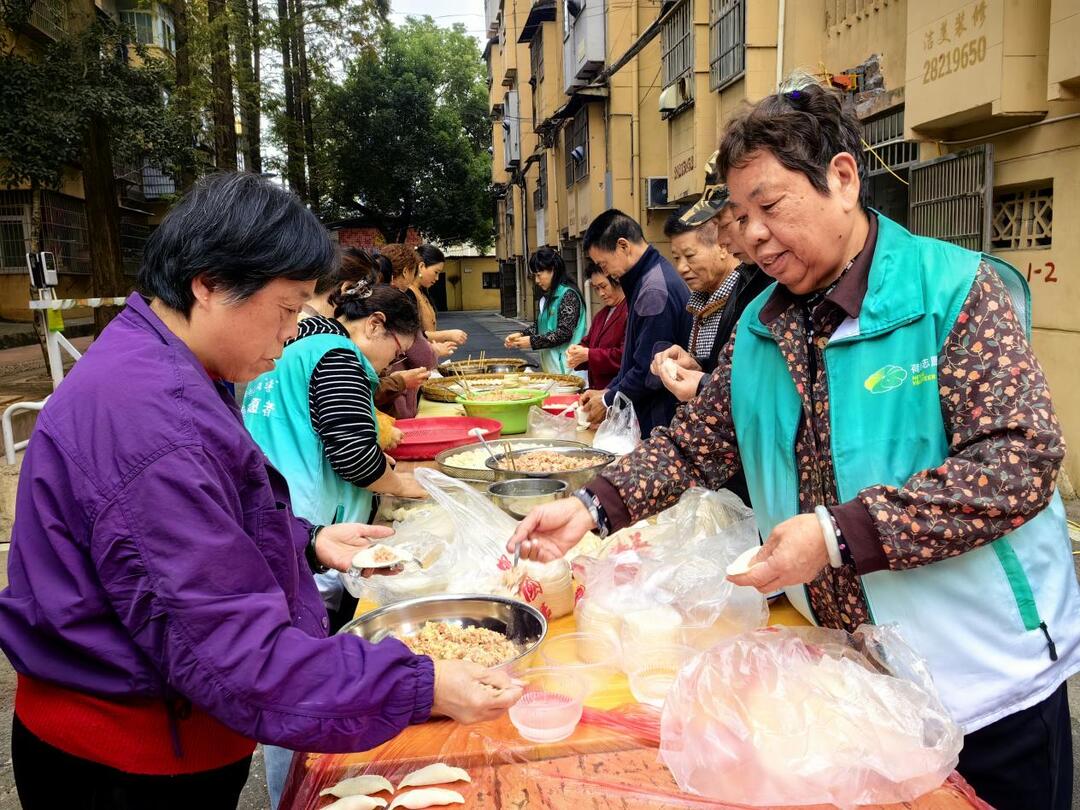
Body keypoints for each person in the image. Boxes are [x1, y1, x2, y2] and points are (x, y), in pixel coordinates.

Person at [508, 80, 1079, 810]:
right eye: (740, 218)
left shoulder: (954, 292)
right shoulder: (761, 326)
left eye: (770, 208)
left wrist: (839, 535)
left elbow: (1018, 462)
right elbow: (694, 445)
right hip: (847, 683)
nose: (751, 237)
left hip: (983, 677)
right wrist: (593, 505)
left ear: (842, 179)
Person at [0, 173, 521, 810]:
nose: (296, 329)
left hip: (163, 726)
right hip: (126, 757)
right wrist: (421, 685)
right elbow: (231, 652)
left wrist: (304, 540)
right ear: (209, 283)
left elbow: (200, 528)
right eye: (288, 308)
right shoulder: (151, 421)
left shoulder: (169, 365)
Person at [244, 280, 429, 808]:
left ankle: (292, 786)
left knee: (286, 667)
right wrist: (408, 484)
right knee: (299, 674)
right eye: (393, 348)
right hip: (310, 528)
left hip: (277, 520)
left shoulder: (294, 344)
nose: (388, 364)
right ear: (373, 324)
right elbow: (354, 456)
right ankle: (302, 790)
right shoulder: (338, 355)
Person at [655, 166, 771, 402]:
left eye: (729, 223)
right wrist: (696, 368)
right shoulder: (741, 284)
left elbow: (764, 392)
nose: (722, 240)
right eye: (676, 258)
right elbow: (730, 375)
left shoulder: (764, 286)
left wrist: (702, 384)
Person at [579, 209, 692, 437]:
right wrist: (608, 391)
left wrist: (609, 399)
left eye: (603, 264)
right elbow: (634, 359)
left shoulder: (653, 290)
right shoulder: (643, 280)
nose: (605, 272)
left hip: (660, 418)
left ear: (623, 246)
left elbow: (649, 372)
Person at [301, 247, 403, 452]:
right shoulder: (329, 344)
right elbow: (350, 447)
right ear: (346, 287)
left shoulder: (295, 328)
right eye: (363, 298)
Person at [375, 244, 438, 418]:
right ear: (405, 272)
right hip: (395, 403)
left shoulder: (372, 297)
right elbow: (423, 357)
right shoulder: (396, 303)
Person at [504, 247, 587, 375]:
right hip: (556, 371)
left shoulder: (568, 295)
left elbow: (564, 333)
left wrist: (531, 341)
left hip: (570, 371)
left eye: (539, 275)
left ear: (552, 270)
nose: (536, 281)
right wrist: (521, 334)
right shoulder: (550, 297)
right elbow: (541, 326)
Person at [566, 263, 627, 392]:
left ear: (617, 280)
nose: (601, 293)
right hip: (597, 389)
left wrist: (589, 355)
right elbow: (589, 342)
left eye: (603, 286)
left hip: (616, 391)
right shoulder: (601, 315)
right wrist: (577, 351)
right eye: (596, 288)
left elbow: (624, 356)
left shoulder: (629, 311)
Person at [413, 244, 469, 348]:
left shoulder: (422, 291)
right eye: (436, 272)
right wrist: (447, 335)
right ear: (421, 266)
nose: (437, 278)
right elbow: (412, 336)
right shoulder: (409, 293)